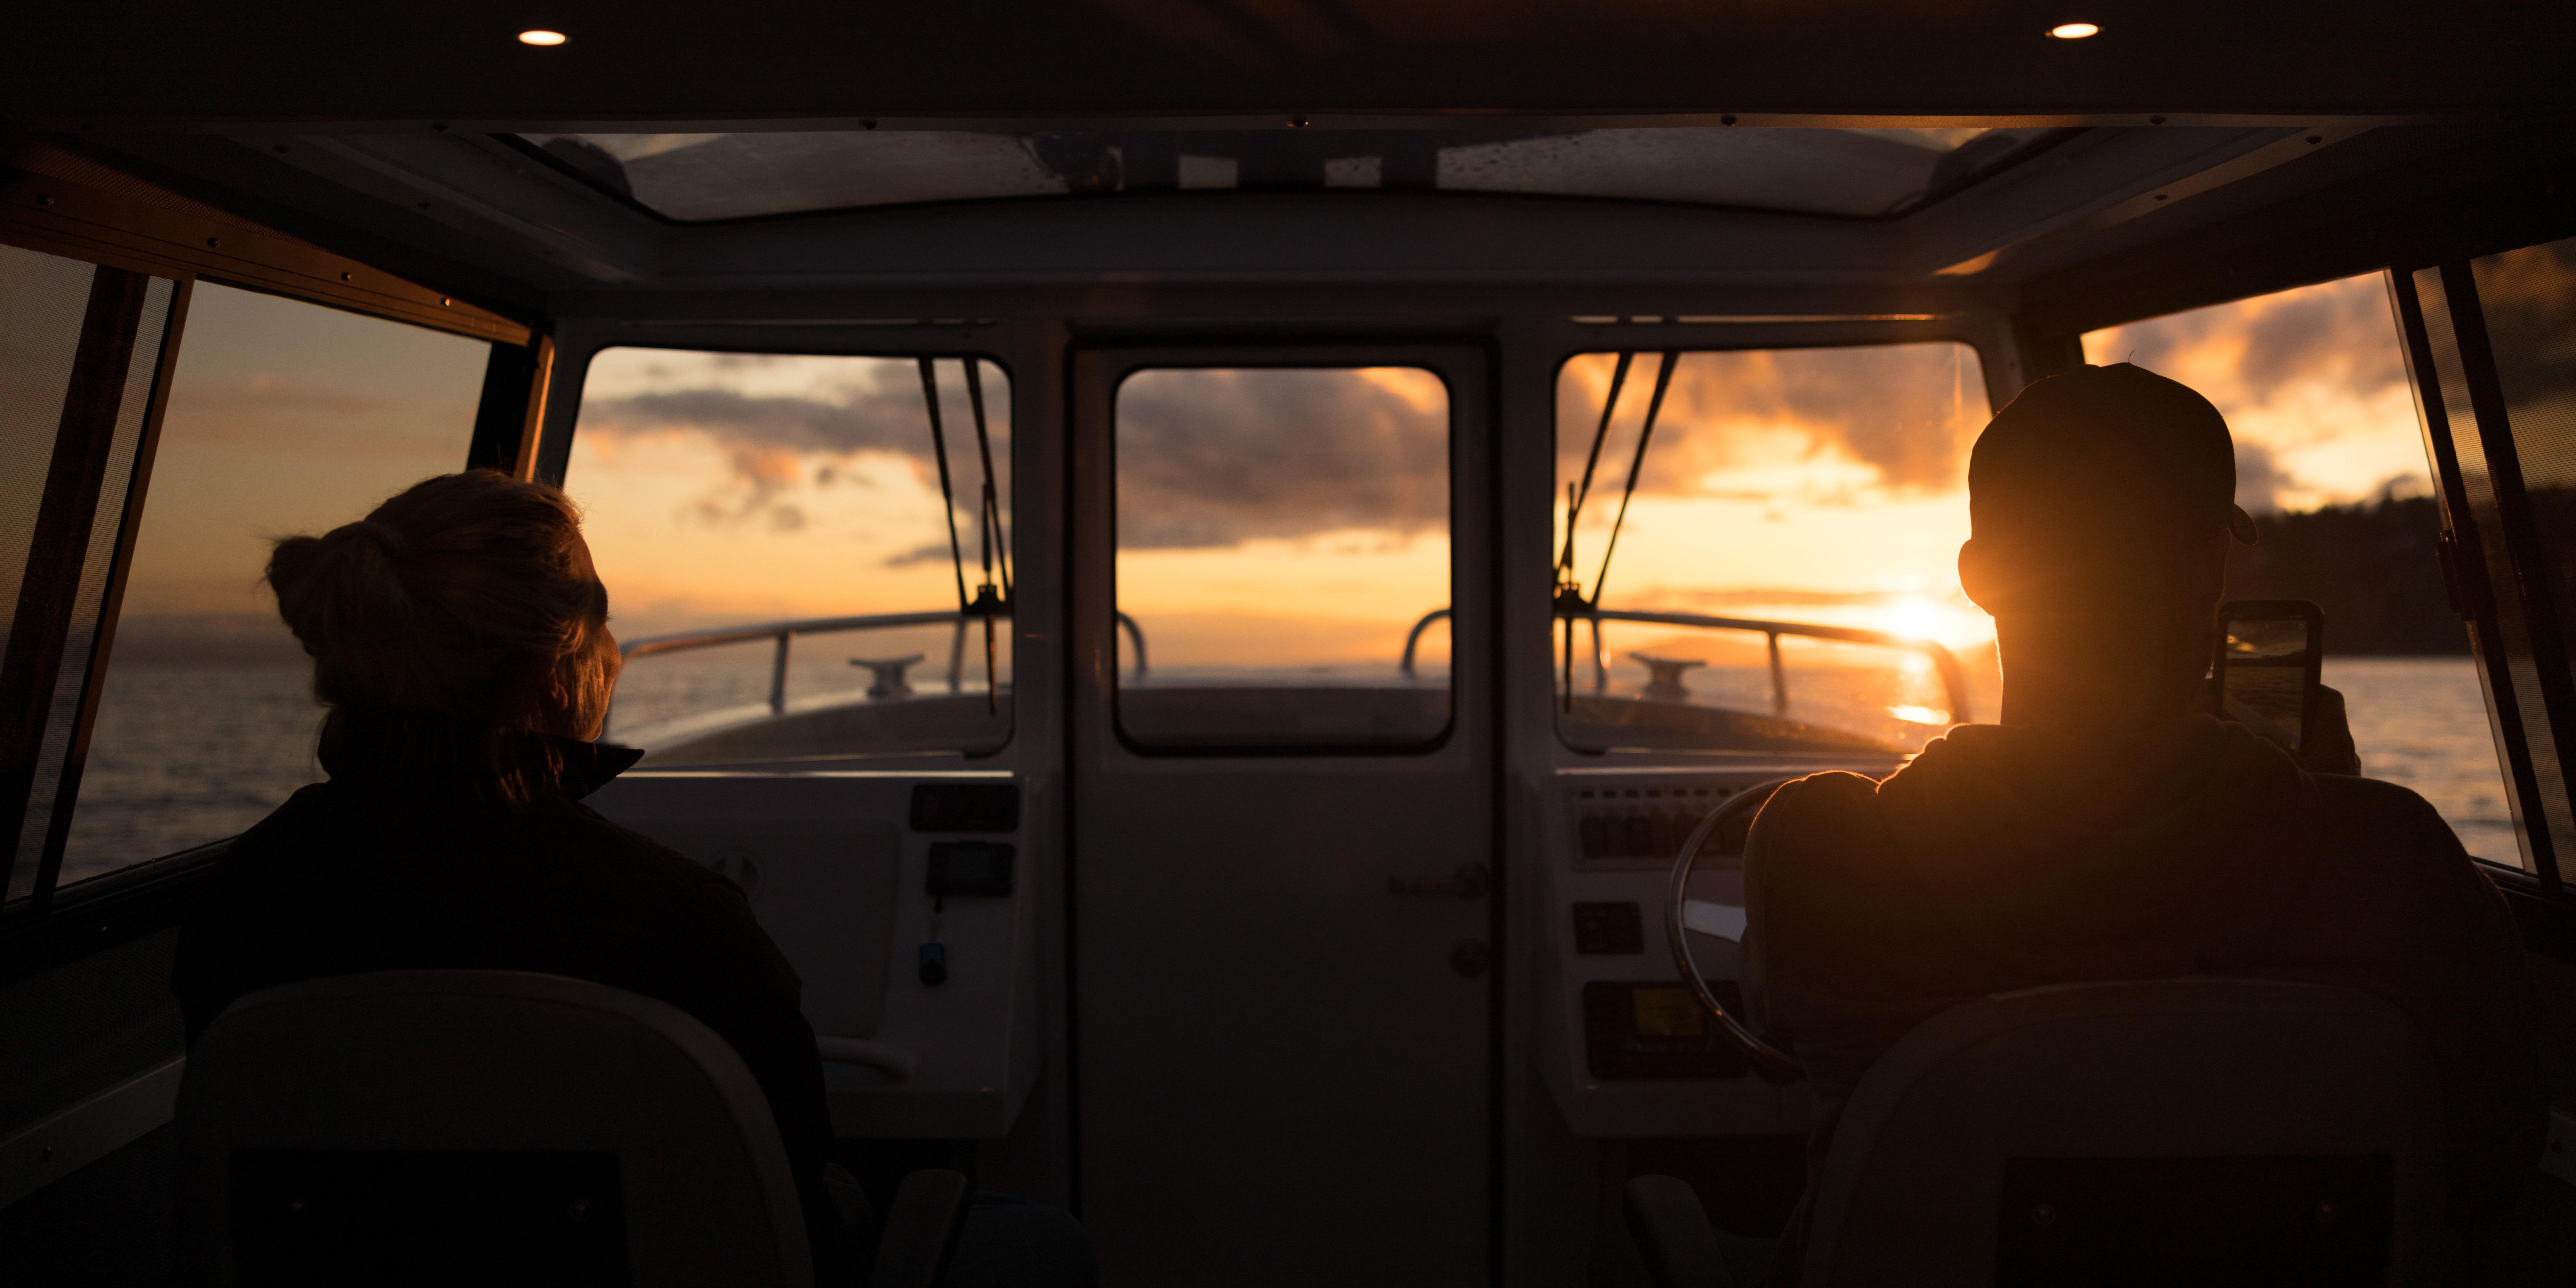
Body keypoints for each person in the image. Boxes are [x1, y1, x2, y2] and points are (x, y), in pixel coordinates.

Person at [170, 470, 1093, 1286]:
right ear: (551, 668)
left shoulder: (241, 897)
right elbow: (789, 1173)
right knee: (1033, 1244)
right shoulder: (677, 925)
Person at [1738, 364, 2547, 1280]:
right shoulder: (2397, 861)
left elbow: (1766, 1039)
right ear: (2211, 564)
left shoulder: (1822, 849)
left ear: (1978, 577)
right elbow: (2487, 1167)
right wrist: (2321, 800)